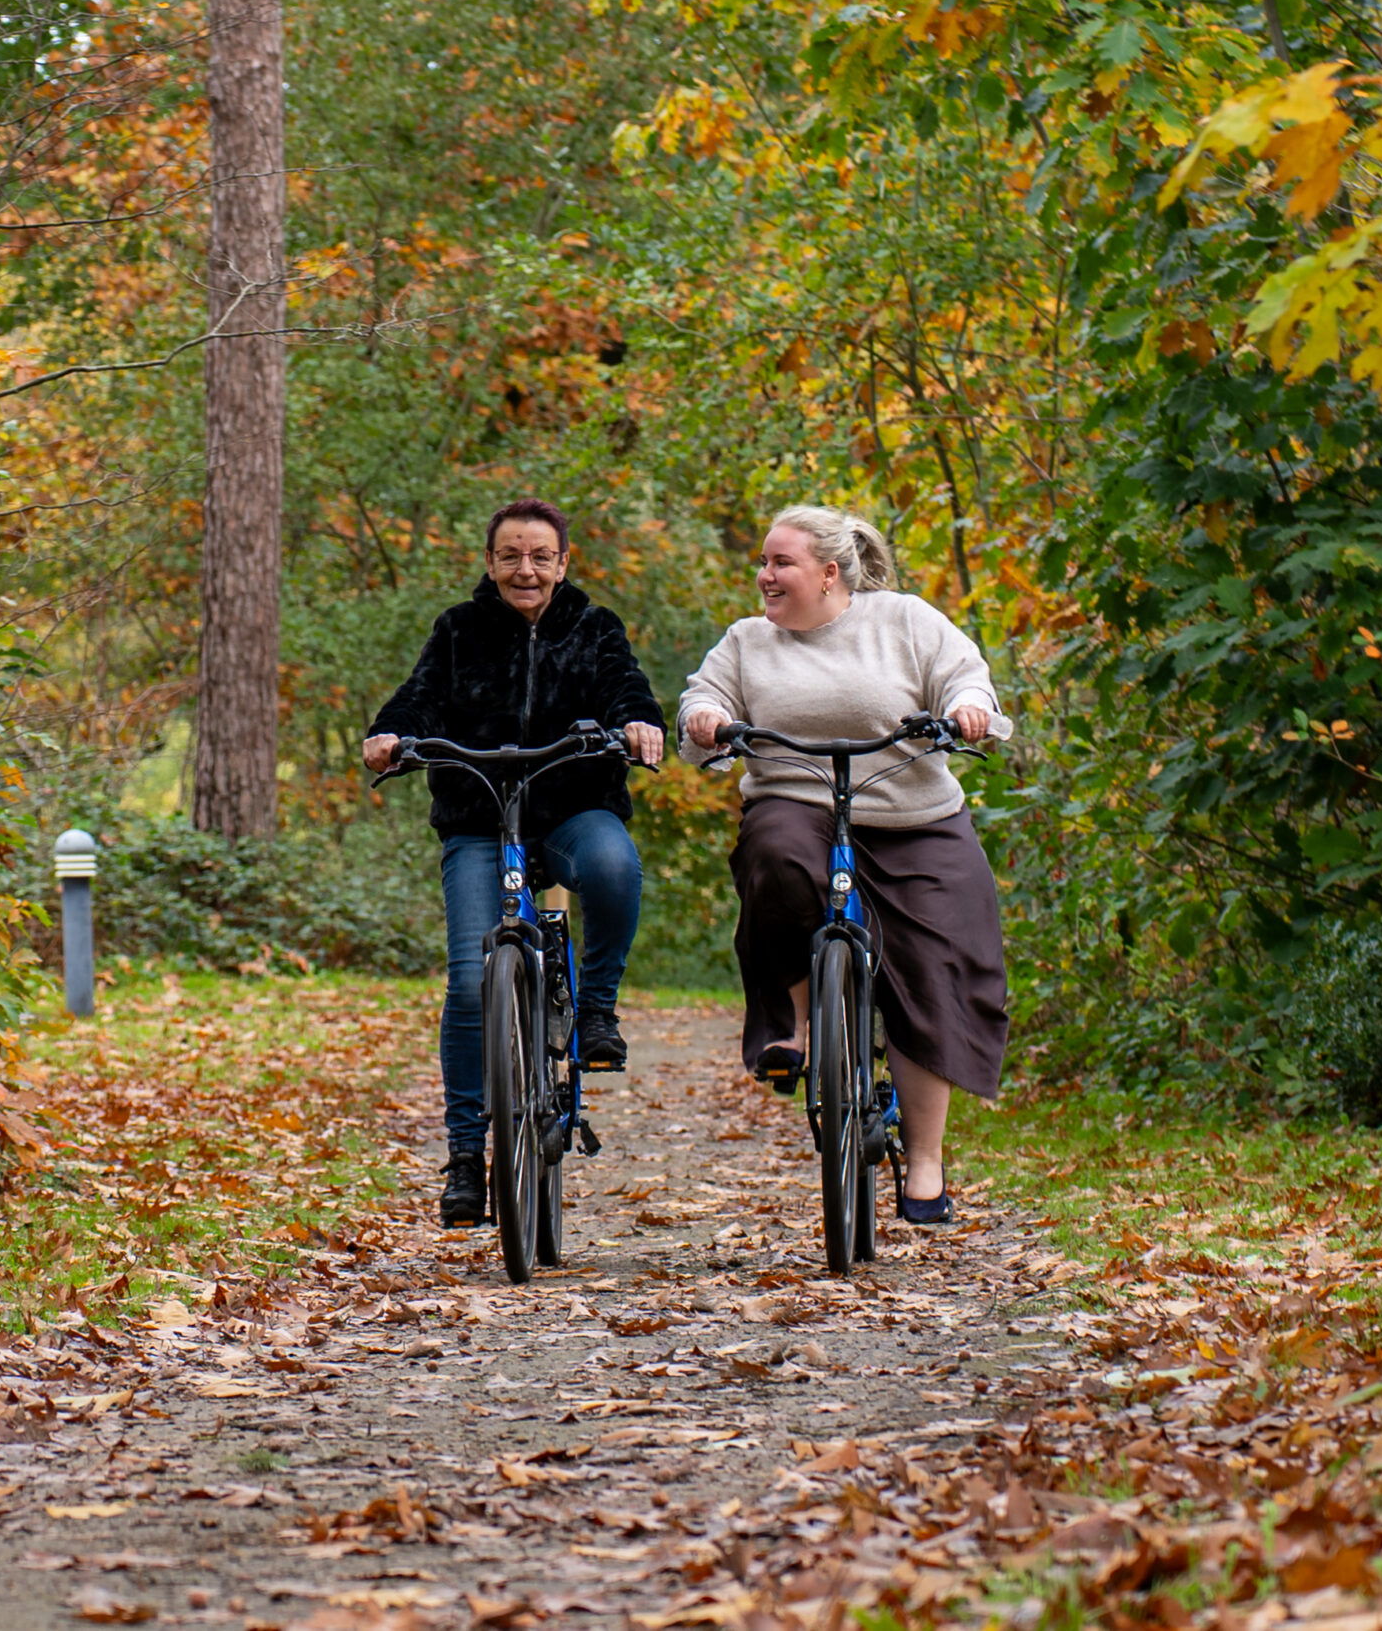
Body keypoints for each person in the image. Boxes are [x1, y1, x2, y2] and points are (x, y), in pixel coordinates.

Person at [677, 505, 1011, 1225]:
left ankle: (924, 1163)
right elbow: (703, 697)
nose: (764, 576)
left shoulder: (904, 622)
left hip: (912, 814)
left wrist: (967, 708)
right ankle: (793, 1026)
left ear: (829, 572)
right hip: (797, 801)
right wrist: (704, 717)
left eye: (780, 563)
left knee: (934, 964)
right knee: (774, 856)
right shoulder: (747, 641)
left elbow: (966, 677)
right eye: (762, 563)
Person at [363, 499, 668, 1229]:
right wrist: (392, 733)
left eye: (540, 556)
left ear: (563, 563)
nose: (524, 569)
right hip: (478, 818)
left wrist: (637, 722)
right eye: (510, 555)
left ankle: (595, 1007)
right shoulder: (459, 629)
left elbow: (628, 686)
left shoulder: (594, 628)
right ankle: (467, 1154)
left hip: (571, 809)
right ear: (489, 561)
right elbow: (422, 698)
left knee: (614, 867)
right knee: (471, 983)